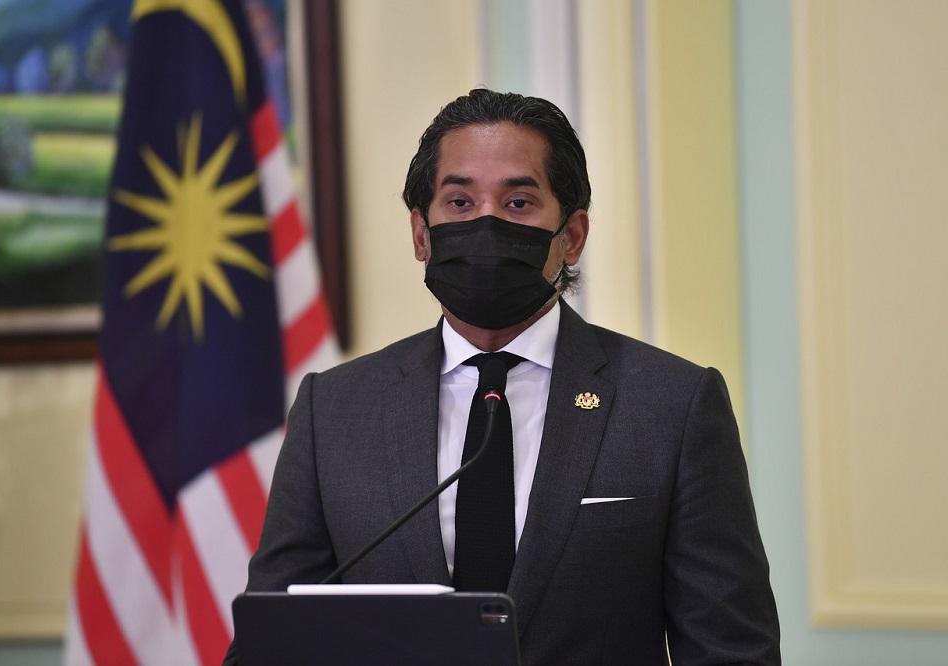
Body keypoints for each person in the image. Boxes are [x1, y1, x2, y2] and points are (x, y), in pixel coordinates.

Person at [226, 88, 780, 664]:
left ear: (572, 236)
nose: (486, 224)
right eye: (460, 203)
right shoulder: (334, 410)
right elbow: (270, 643)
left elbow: (732, 650)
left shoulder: (673, 405)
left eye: (518, 203)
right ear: (421, 234)